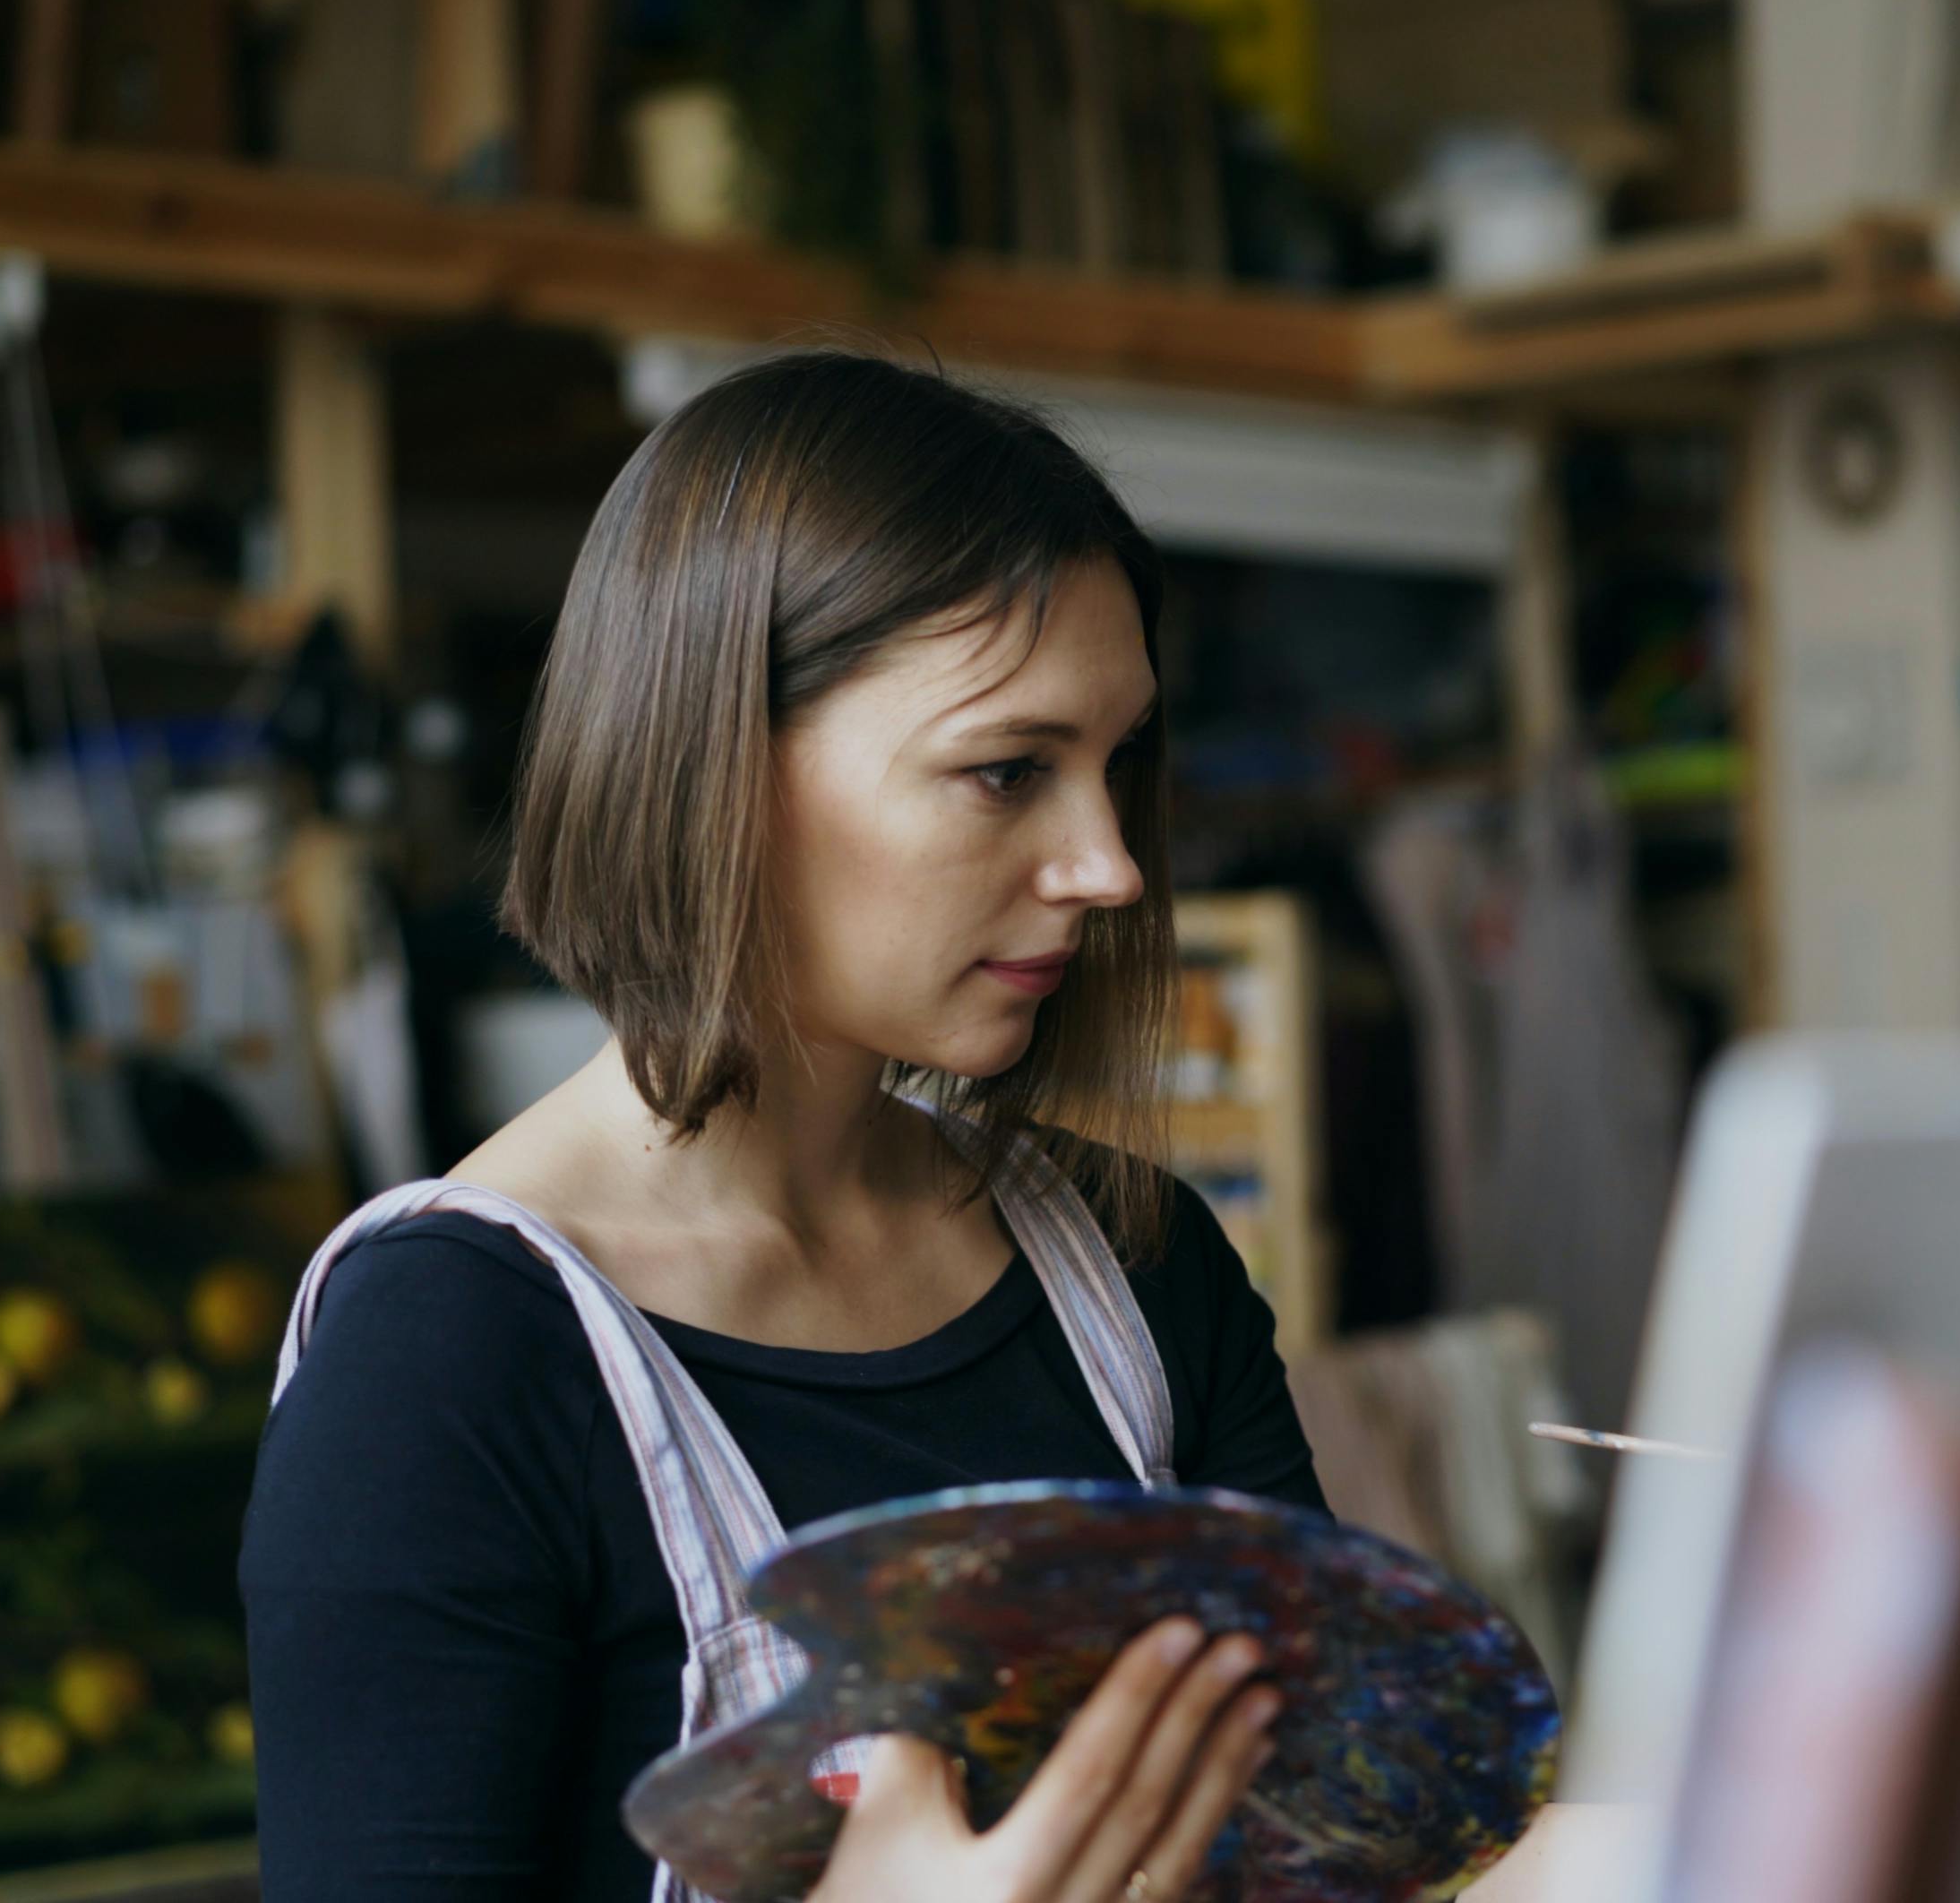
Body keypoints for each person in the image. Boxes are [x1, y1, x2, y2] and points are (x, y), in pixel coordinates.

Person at [239, 351, 1328, 1903]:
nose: (1108, 866)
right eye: (1007, 771)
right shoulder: (449, 1364)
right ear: (721, 774)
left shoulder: (1137, 1271)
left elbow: (1335, 1846)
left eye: (1119, 764)